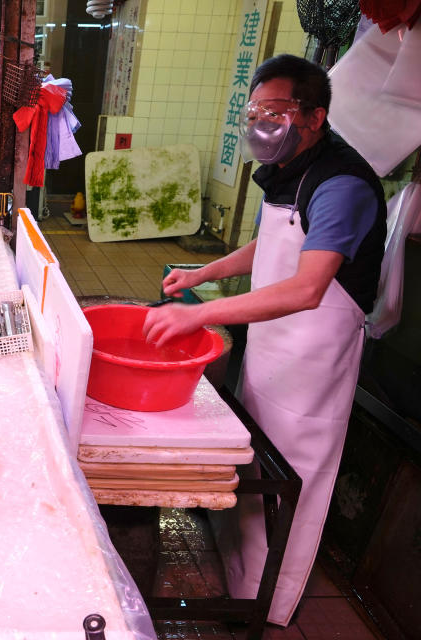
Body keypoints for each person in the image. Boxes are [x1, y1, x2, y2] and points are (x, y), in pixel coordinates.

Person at [143, 54, 387, 626]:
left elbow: (306, 287)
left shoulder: (342, 183)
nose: (261, 123)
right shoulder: (290, 170)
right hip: (271, 353)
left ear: (315, 116)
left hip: (311, 368)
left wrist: (200, 316)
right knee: (251, 471)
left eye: (275, 111)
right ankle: (234, 574)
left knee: (290, 488)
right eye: (255, 111)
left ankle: (268, 605)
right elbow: (269, 245)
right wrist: (201, 274)